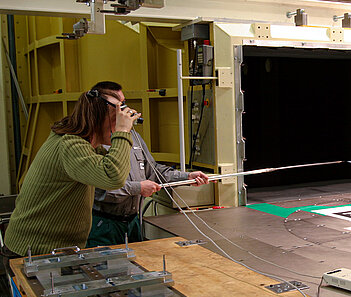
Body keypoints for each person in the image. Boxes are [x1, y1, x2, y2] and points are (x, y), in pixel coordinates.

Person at [1, 86, 139, 272]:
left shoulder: (83, 144)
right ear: (98, 116)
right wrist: (122, 132)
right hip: (32, 253)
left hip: (56, 252)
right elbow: (113, 177)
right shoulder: (70, 145)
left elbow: (110, 167)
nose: (122, 120)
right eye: (117, 113)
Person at [86, 81, 209, 248]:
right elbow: (100, 190)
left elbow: (154, 171)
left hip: (132, 223)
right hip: (104, 225)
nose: (123, 110)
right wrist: (139, 188)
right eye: (117, 105)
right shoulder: (92, 143)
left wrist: (186, 176)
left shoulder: (134, 138)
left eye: (123, 104)